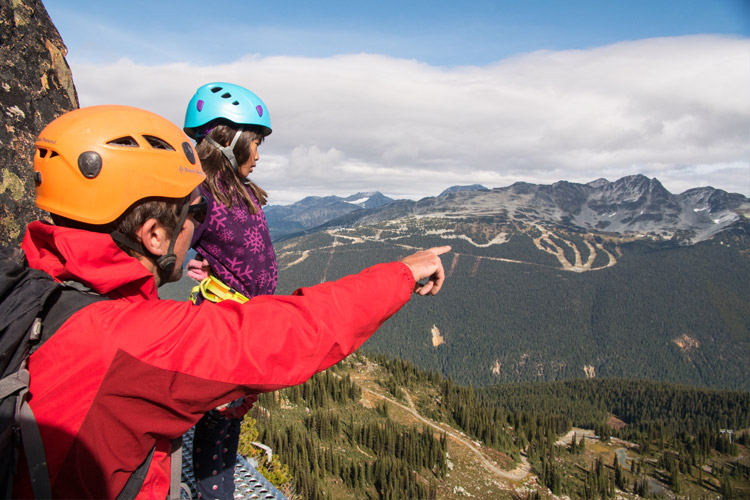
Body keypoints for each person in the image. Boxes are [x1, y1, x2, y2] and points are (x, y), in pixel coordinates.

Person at [12, 104, 449, 499]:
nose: (200, 226)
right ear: (153, 235)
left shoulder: (30, 286)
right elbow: (294, 333)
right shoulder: (134, 341)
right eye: (195, 212)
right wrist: (403, 273)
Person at [181, 82, 277, 500]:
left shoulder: (238, 193)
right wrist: (187, 261)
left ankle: (217, 486)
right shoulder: (200, 195)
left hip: (247, 320)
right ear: (229, 142)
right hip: (225, 323)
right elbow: (174, 245)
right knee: (220, 414)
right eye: (253, 144)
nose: (258, 155)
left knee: (233, 413)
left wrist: (202, 261)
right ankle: (213, 493)